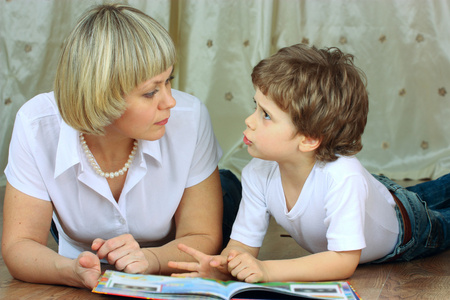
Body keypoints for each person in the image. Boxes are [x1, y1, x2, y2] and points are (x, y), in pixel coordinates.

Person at [2, 4, 241, 290]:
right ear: (101, 96)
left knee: (228, 193)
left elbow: (201, 234)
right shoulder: (36, 124)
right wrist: (71, 271)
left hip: (177, 236)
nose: (170, 101)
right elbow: (19, 246)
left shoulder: (189, 117)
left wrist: (149, 259)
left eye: (169, 81)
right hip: (80, 232)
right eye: (151, 92)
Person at [168, 43, 450, 283]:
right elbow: (242, 245)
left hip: (409, 227)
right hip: (378, 197)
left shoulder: (342, 177)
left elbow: (342, 261)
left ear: (309, 139)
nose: (249, 120)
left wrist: (267, 269)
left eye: (265, 115)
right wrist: (222, 267)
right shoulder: (258, 171)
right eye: (255, 106)